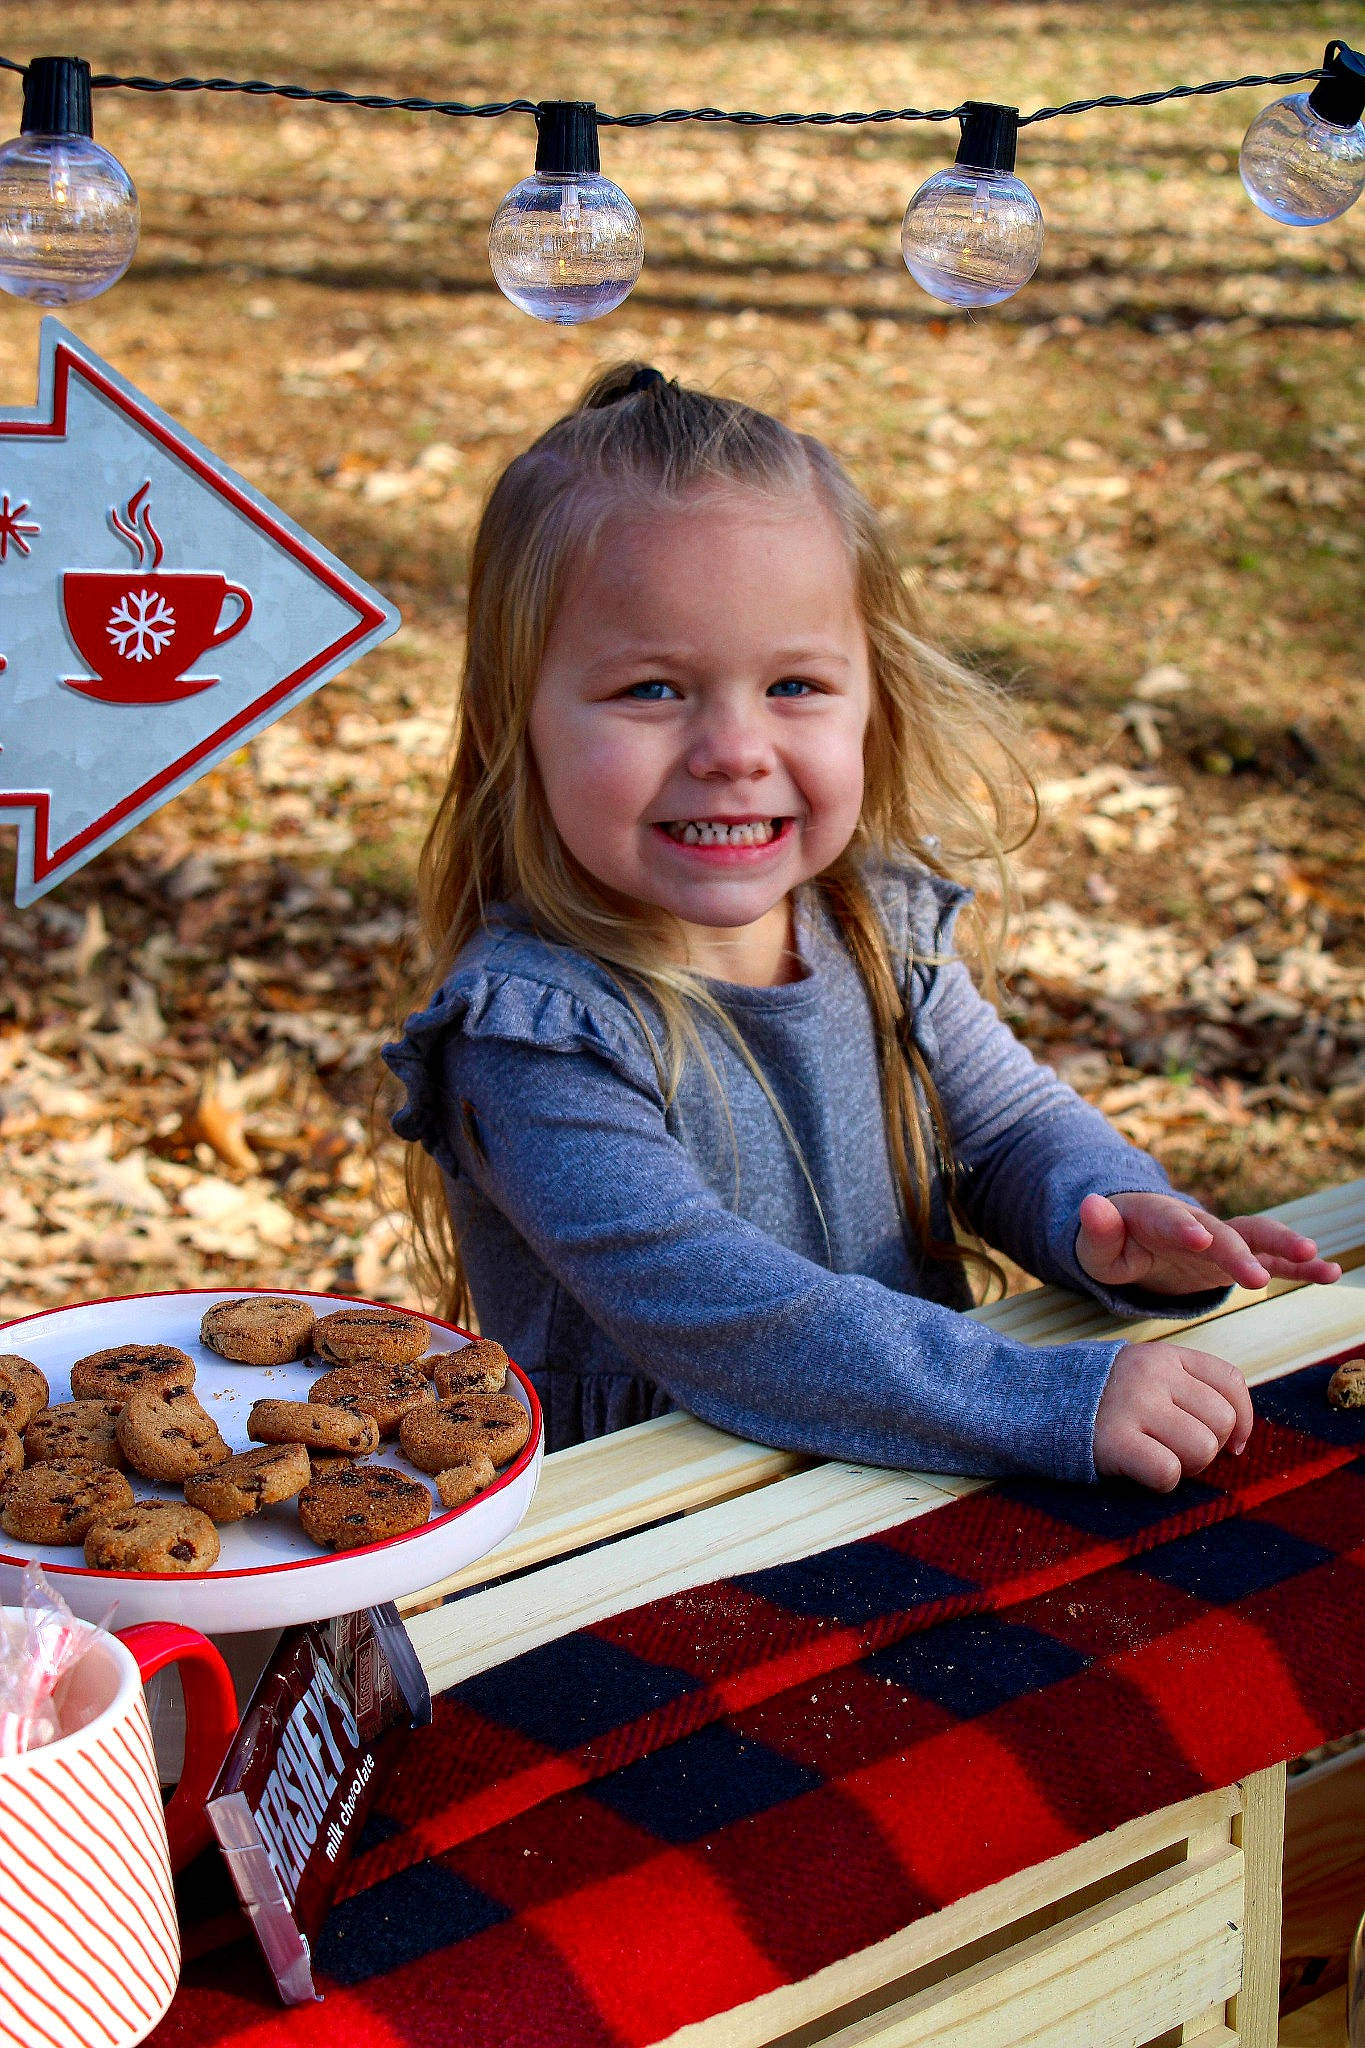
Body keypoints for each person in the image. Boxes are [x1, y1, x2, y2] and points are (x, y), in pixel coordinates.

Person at [383, 363, 1339, 1492]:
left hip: (908, 1476)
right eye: (651, 689)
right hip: (651, 1546)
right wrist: (1034, 1395)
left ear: (873, 695)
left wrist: (1111, 1217)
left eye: (794, 684)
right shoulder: (534, 1033)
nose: (734, 750)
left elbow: (1009, 1127)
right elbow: (728, 1315)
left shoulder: (875, 924)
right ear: (513, 721)